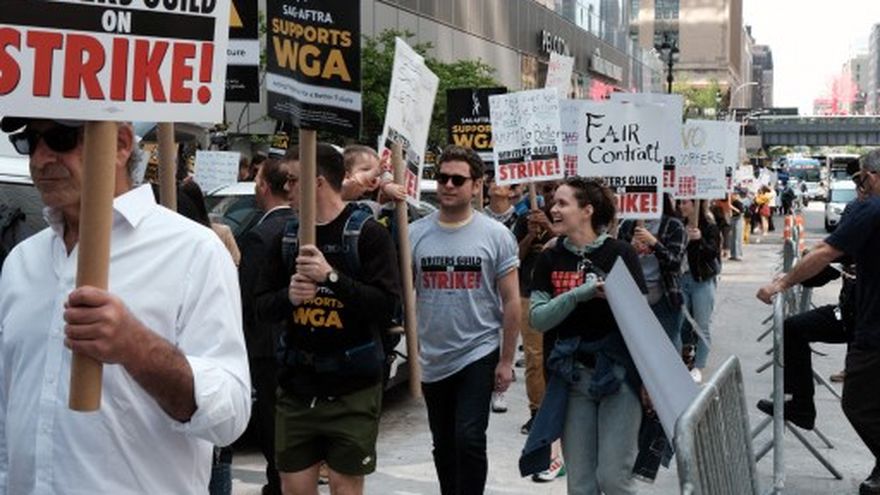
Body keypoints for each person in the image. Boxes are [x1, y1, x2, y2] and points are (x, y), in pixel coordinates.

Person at [0, 117, 251, 493]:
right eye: (29, 141)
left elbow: (230, 417)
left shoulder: (193, 252)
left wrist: (137, 348)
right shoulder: (22, 262)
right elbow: (9, 414)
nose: (39, 158)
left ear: (120, 144)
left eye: (60, 138)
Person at [255, 143, 401, 495]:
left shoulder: (368, 234)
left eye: (293, 180)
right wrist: (289, 297)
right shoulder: (286, 237)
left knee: (344, 487)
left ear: (317, 182)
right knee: (294, 488)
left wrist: (331, 278)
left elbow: (385, 306)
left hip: (353, 387)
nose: (286, 188)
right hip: (297, 387)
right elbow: (260, 306)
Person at [757, 149, 880, 495]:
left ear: (871, 177)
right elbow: (829, 265)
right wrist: (800, 270)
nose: (859, 188)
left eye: (861, 180)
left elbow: (826, 254)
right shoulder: (864, 212)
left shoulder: (870, 208)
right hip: (855, 315)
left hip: (870, 328)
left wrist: (783, 283)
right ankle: (802, 406)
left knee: (858, 404)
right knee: (795, 328)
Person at [522, 177, 649, 495]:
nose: (553, 209)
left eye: (562, 203)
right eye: (554, 203)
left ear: (587, 210)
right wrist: (579, 294)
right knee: (580, 484)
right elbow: (538, 319)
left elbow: (641, 321)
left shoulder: (621, 253)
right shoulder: (549, 258)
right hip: (572, 379)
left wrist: (650, 380)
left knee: (614, 479)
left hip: (619, 377)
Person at [409, 145, 520, 495]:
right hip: (434, 356)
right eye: (442, 177)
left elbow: (511, 300)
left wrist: (506, 360)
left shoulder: (496, 235)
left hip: (478, 350)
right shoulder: (414, 234)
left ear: (476, 186)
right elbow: (404, 293)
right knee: (443, 442)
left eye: (458, 179)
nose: (448, 185)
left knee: (469, 437)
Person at [238, 156, 295, 495]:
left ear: (263, 187)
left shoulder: (260, 236)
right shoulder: (303, 226)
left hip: (268, 346)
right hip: (298, 342)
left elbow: (247, 298)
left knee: (273, 425)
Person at [617, 194, 688, 351]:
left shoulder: (674, 225)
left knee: (667, 348)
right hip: (633, 296)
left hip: (665, 296)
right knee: (636, 348)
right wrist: (628, 249)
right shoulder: (627, 225)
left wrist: (654, 243)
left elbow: (675, 264)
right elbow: (616, 263)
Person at [677, 199, 721, 383]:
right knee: (681, 323)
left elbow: (713, 252)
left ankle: (699, 366)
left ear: (696, 204)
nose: (681, 206)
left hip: (701, 281)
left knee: (702, 324)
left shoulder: (709, 227)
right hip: (680, 280)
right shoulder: (677, 225)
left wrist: (699, 240)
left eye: (685, 203)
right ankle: (685, 353)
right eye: (679, 203)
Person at [729, 190, 745, 261]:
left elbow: (741, 211)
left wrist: (731, 207)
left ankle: (736, 254)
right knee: (734, 237)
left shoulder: (737, 202)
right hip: (735, 219)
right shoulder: (734, 202)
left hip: (737, 219)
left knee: (736, 237)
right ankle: (734, 254)